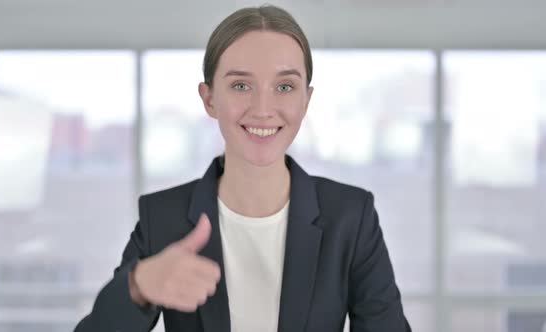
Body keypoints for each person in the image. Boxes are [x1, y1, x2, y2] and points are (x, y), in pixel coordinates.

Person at [74, 4, 411, 332]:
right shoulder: (163, 217)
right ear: (209, 99)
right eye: (240, 85)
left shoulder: (351, 216)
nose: (263, 109)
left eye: (284, 87)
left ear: (306, 100)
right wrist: (138, 286)